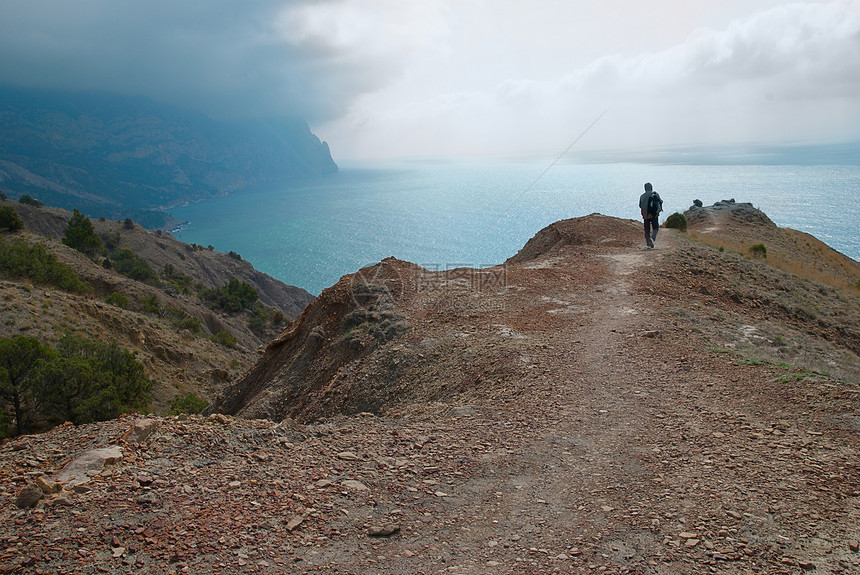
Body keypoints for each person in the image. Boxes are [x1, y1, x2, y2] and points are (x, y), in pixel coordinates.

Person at [639, 182, 661, 249]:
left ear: (645, 188)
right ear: (651, 188)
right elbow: (659, 203)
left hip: (645, 215)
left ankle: (648, 245)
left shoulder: (642, 196)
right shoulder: (655, 194)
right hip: (654, 214)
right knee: (655, 228)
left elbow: (640, 205)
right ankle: (652, 239)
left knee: (647, 229)